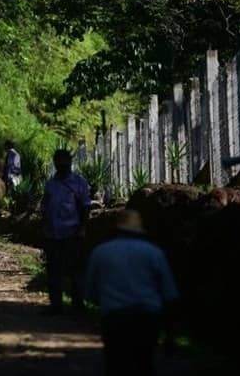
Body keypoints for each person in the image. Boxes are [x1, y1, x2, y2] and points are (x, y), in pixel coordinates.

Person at [85, 210, 180, 376]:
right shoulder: (153, 252)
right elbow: (169, 293)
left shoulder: (101, 252)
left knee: (116, 364)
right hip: (147, 317)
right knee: (145, 363)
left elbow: (90, 292)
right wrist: (170, 335)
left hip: (114, 317)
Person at [41, 148, 91, 315]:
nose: (62, 166)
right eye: (59, 162)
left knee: (75, 271)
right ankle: (56, 305)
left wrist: (82, 228)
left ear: (70, 163)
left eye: (65, 162)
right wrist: (45, 228)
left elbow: (85, 207)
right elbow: (45, 206)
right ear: (55, 164)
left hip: (72, 233)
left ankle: (78, 305)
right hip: (53, 234)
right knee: (54, 271)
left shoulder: (79, 183)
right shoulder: (51, 184)